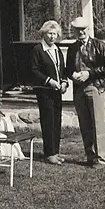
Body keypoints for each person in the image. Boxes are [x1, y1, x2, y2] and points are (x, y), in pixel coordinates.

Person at [64, 16, 105, 167]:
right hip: (79, 88)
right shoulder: (72, 48)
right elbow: (68, 68)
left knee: (98, 123)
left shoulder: (100, 46)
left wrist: (90, 73)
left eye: (83, 29)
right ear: (74, 31)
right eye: (77, 30)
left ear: (88, 29)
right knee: (84, 123)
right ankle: (90, 156)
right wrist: (72, 74)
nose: (81, 32)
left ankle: (102, 158)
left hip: (95, 86)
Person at [27, 19, 67, 164]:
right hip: (44, 91)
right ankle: (49, 153)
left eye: (55, 34)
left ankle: (55, 151)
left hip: (57, 91)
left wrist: (64, 82)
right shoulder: (38, 50)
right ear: (44, 34)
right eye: (50, 33)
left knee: (57, 120)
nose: (52, 37)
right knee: (48, 120)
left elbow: (62, 69)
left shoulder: (57, 50)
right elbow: (34, 70)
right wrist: (49, 81)